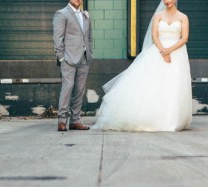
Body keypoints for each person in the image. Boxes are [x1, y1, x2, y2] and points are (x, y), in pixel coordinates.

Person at [93, 0, 192, 132]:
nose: (167, 1)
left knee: (173, 84)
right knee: (154, 84)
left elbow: (184, 38)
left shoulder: (183, 17)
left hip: (177, 53)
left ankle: (172, 119)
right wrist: (163, 50)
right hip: (159, 51)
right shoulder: (158, 16)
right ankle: (155, 116)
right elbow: (154, 35)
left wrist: (169, 50)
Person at [53, 0, 93, 132]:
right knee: (68, 87)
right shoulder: (61, 14)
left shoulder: (85, 15)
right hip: (68, 59)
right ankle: (62, 121)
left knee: (80, 90)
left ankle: (75, 120)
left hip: (84, 58)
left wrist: (90, 53)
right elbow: (58, 38)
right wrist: (61, 57)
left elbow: (89, 37)